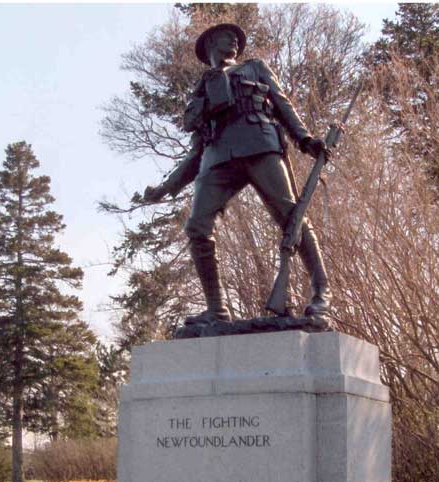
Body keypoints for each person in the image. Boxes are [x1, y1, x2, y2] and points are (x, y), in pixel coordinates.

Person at [138, 22, 331, 322]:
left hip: (259, 145)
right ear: (211, 44)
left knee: (291, 216)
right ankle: (216, 310)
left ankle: (322, 292)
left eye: (235, 38)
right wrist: (165, 188)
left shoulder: (254, 68)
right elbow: (195, 149)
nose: (234, 42)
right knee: (197, 228)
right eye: (226, 37)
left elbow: (282, 104)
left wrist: (305, 140)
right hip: (217, 157)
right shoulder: (201, 91)